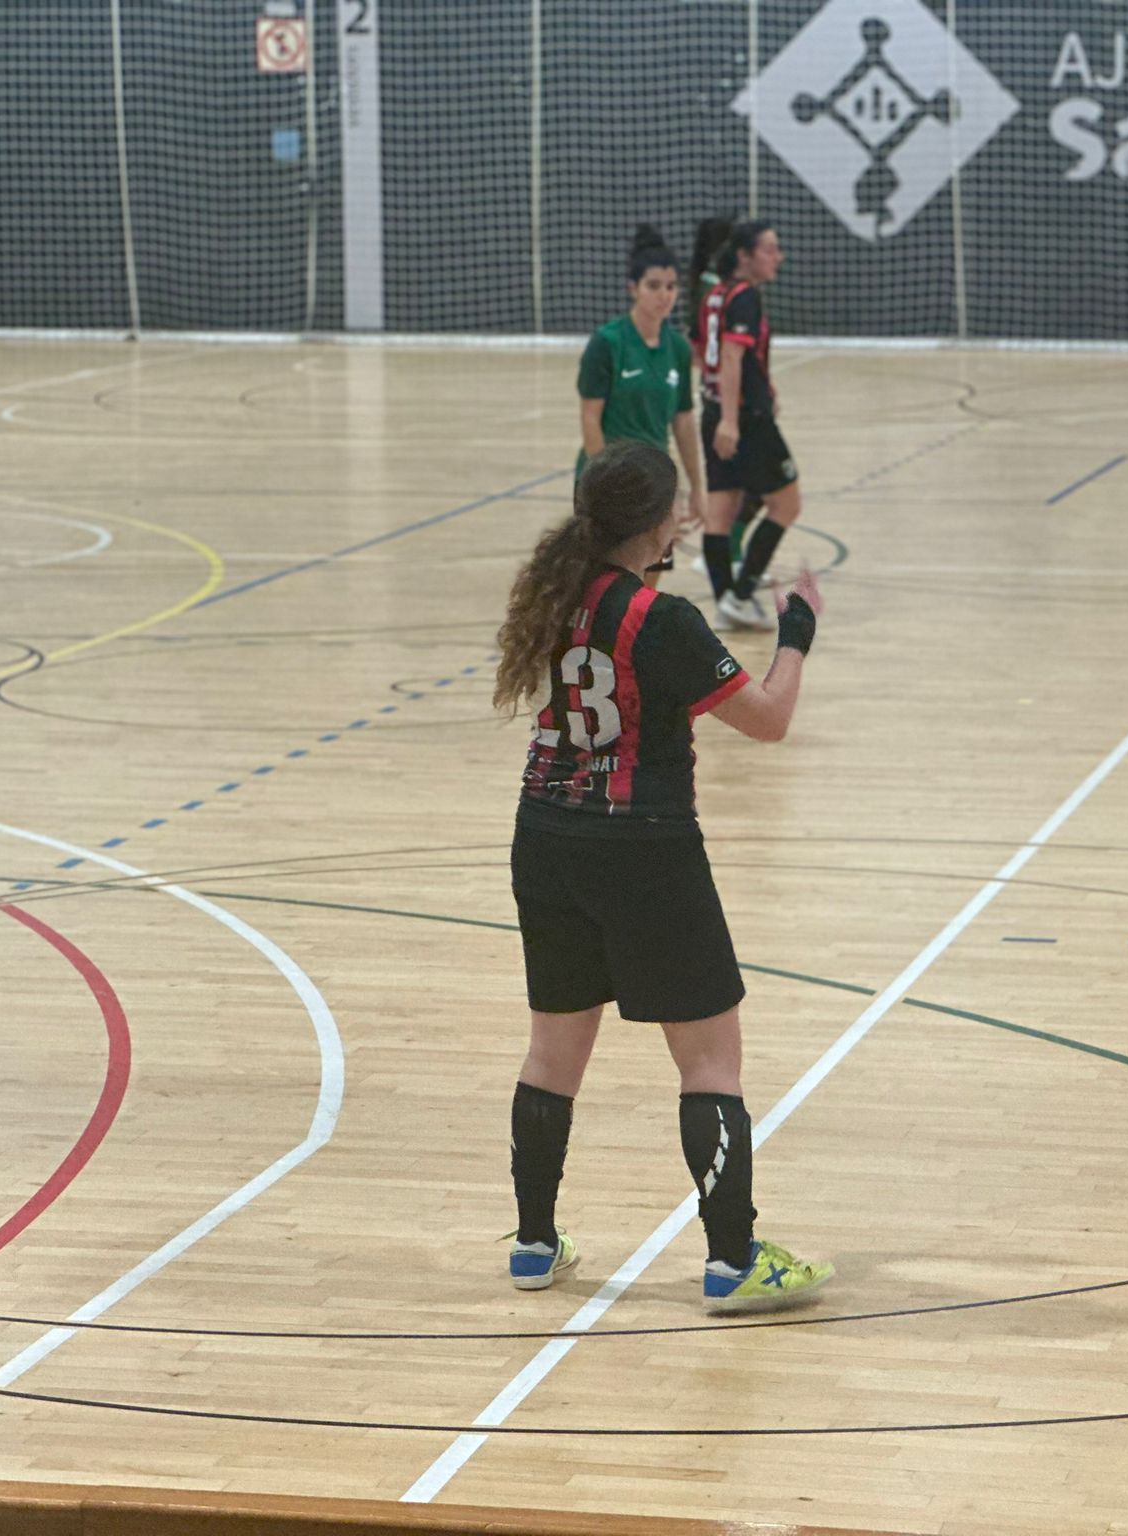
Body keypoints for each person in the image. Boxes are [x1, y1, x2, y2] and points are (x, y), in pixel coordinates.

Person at [492, 438, 832, 1313]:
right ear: (652, 523)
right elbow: (768, 721)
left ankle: (534, 1244)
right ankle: (733, 1259)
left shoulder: (552, 594)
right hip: (643, 847)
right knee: (710, 1060)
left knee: (552, 1053)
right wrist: (796, 635)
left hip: (546, 835)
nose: (685, 515)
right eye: (678, 504)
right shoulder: (660, 619)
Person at [698, 221, 799, 631]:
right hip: (743, 419)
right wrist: (731, 419)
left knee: (720, 511)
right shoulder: (744, 297)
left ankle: (728, 605)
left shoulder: (715, 294)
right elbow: (731, 357)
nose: (778, 257)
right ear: (745, 256)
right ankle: (740, 596)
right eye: (769, 249)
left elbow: (701, 350)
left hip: (713, 408)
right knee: (787, 504)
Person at [577, 227, 707, 539]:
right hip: (611, 478)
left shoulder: (678, 348)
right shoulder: (607, 343)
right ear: (633, 288)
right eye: (654, 286)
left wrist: (697, 486)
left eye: (671, 287)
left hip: (655, 481)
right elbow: (590, 418)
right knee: (607, 567)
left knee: (655, 565)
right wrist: (604, 486)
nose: (664, 295)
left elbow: (684, 421)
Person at [686, 212, 760, 573]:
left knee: (744, 485)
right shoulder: (723, 292)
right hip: (727, 398)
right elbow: (707, 348)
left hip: (721, 394)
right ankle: (722, 555)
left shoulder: (710, 285)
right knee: (750, 484)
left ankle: (729, 553)